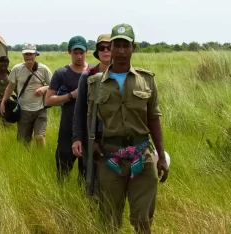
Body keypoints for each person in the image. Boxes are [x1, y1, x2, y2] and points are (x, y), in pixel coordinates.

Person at [86, 23, 169, 234]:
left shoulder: (146, 80)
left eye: (126, 45)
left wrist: (160, 155)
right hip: (110, 159)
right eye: (117, 46)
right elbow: (91, 117)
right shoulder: (95, 83)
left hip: (143, 157)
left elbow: (154, 118)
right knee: (109, 219)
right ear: (110, 49)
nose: (121, 51)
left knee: (142, 220)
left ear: (134, 48)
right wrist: (93, 143)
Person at [45, 36, 93, 184]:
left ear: (87, 52)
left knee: (87, 173)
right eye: (75, 52)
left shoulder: (93, 71)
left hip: (88, 128)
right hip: (67, 128)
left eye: (82, 52)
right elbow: (49, 100)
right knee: (63, 171)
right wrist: (72, 95)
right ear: (69, 52)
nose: (79, 56)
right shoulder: (61, 73)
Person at [71, 33, 111, 197]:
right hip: (94, 137)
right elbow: (79, 109)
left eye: (109, 47)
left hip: (118, 138)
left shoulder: (126, 76)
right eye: (102, 48)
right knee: (92, 179)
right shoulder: (88, 76)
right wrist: (77, 138)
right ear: (97, 52)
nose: (106, 51)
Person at [0, 43, 52, 147]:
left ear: (36, 55)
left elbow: (55, 85)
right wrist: (3, 102)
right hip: (23, 110)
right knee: (23, 142)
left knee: (40, 137)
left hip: (40, 109)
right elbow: (10, 87)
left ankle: (40, 158)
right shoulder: (17, 69)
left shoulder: (44, 69)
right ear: (23, 55)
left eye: (31, 54)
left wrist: (44, 88)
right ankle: (27, 160)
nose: (28, 56)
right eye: (26, 54)